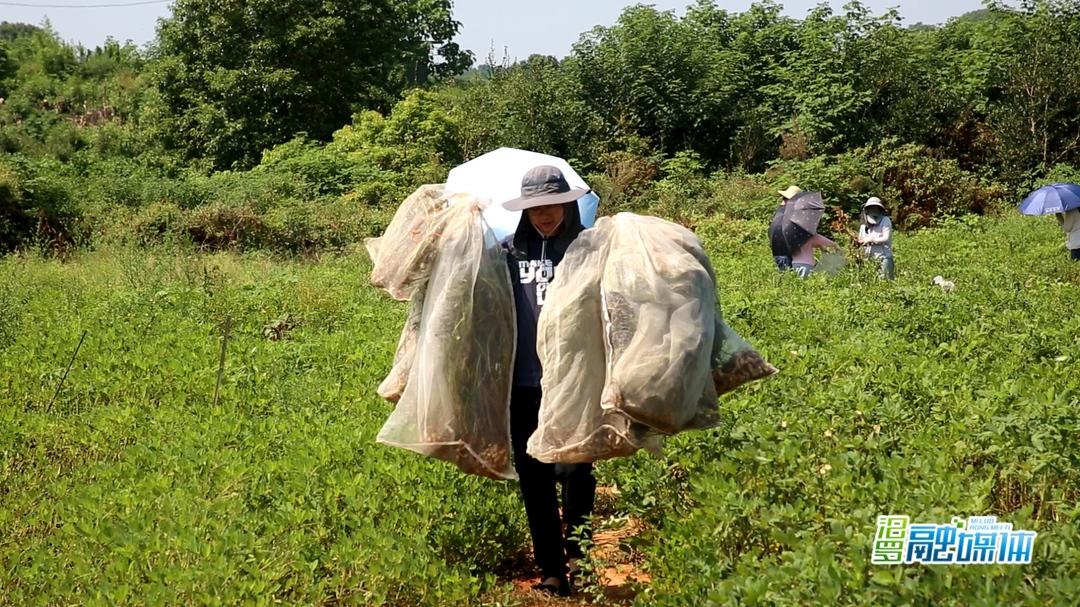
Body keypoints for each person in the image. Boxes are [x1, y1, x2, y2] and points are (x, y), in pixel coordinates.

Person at [501, 165, 596, 597]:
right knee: (534, 476)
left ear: (568, 203)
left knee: (576, 468)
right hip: (522, 382)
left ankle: (582, 556)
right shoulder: (505, 253)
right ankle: (552, 569)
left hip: (573, 379)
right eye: (536, 207)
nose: (544, 214)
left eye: (552, 204)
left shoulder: (586, 248)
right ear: (525, 210)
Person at [857, 197, 895, 279]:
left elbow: (886, 238)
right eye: (871, 208)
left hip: (883, 258)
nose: (873, 210)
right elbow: (860, 240)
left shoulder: (885, 220)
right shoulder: (863, 226)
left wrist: (871, 239)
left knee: (886, 283)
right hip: (868, 260)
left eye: (876, 208)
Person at [769, 185, 801, 271]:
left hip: (779, 249)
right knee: (786, 277)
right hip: (783, 251)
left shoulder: (781, 210)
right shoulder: (788, 213)